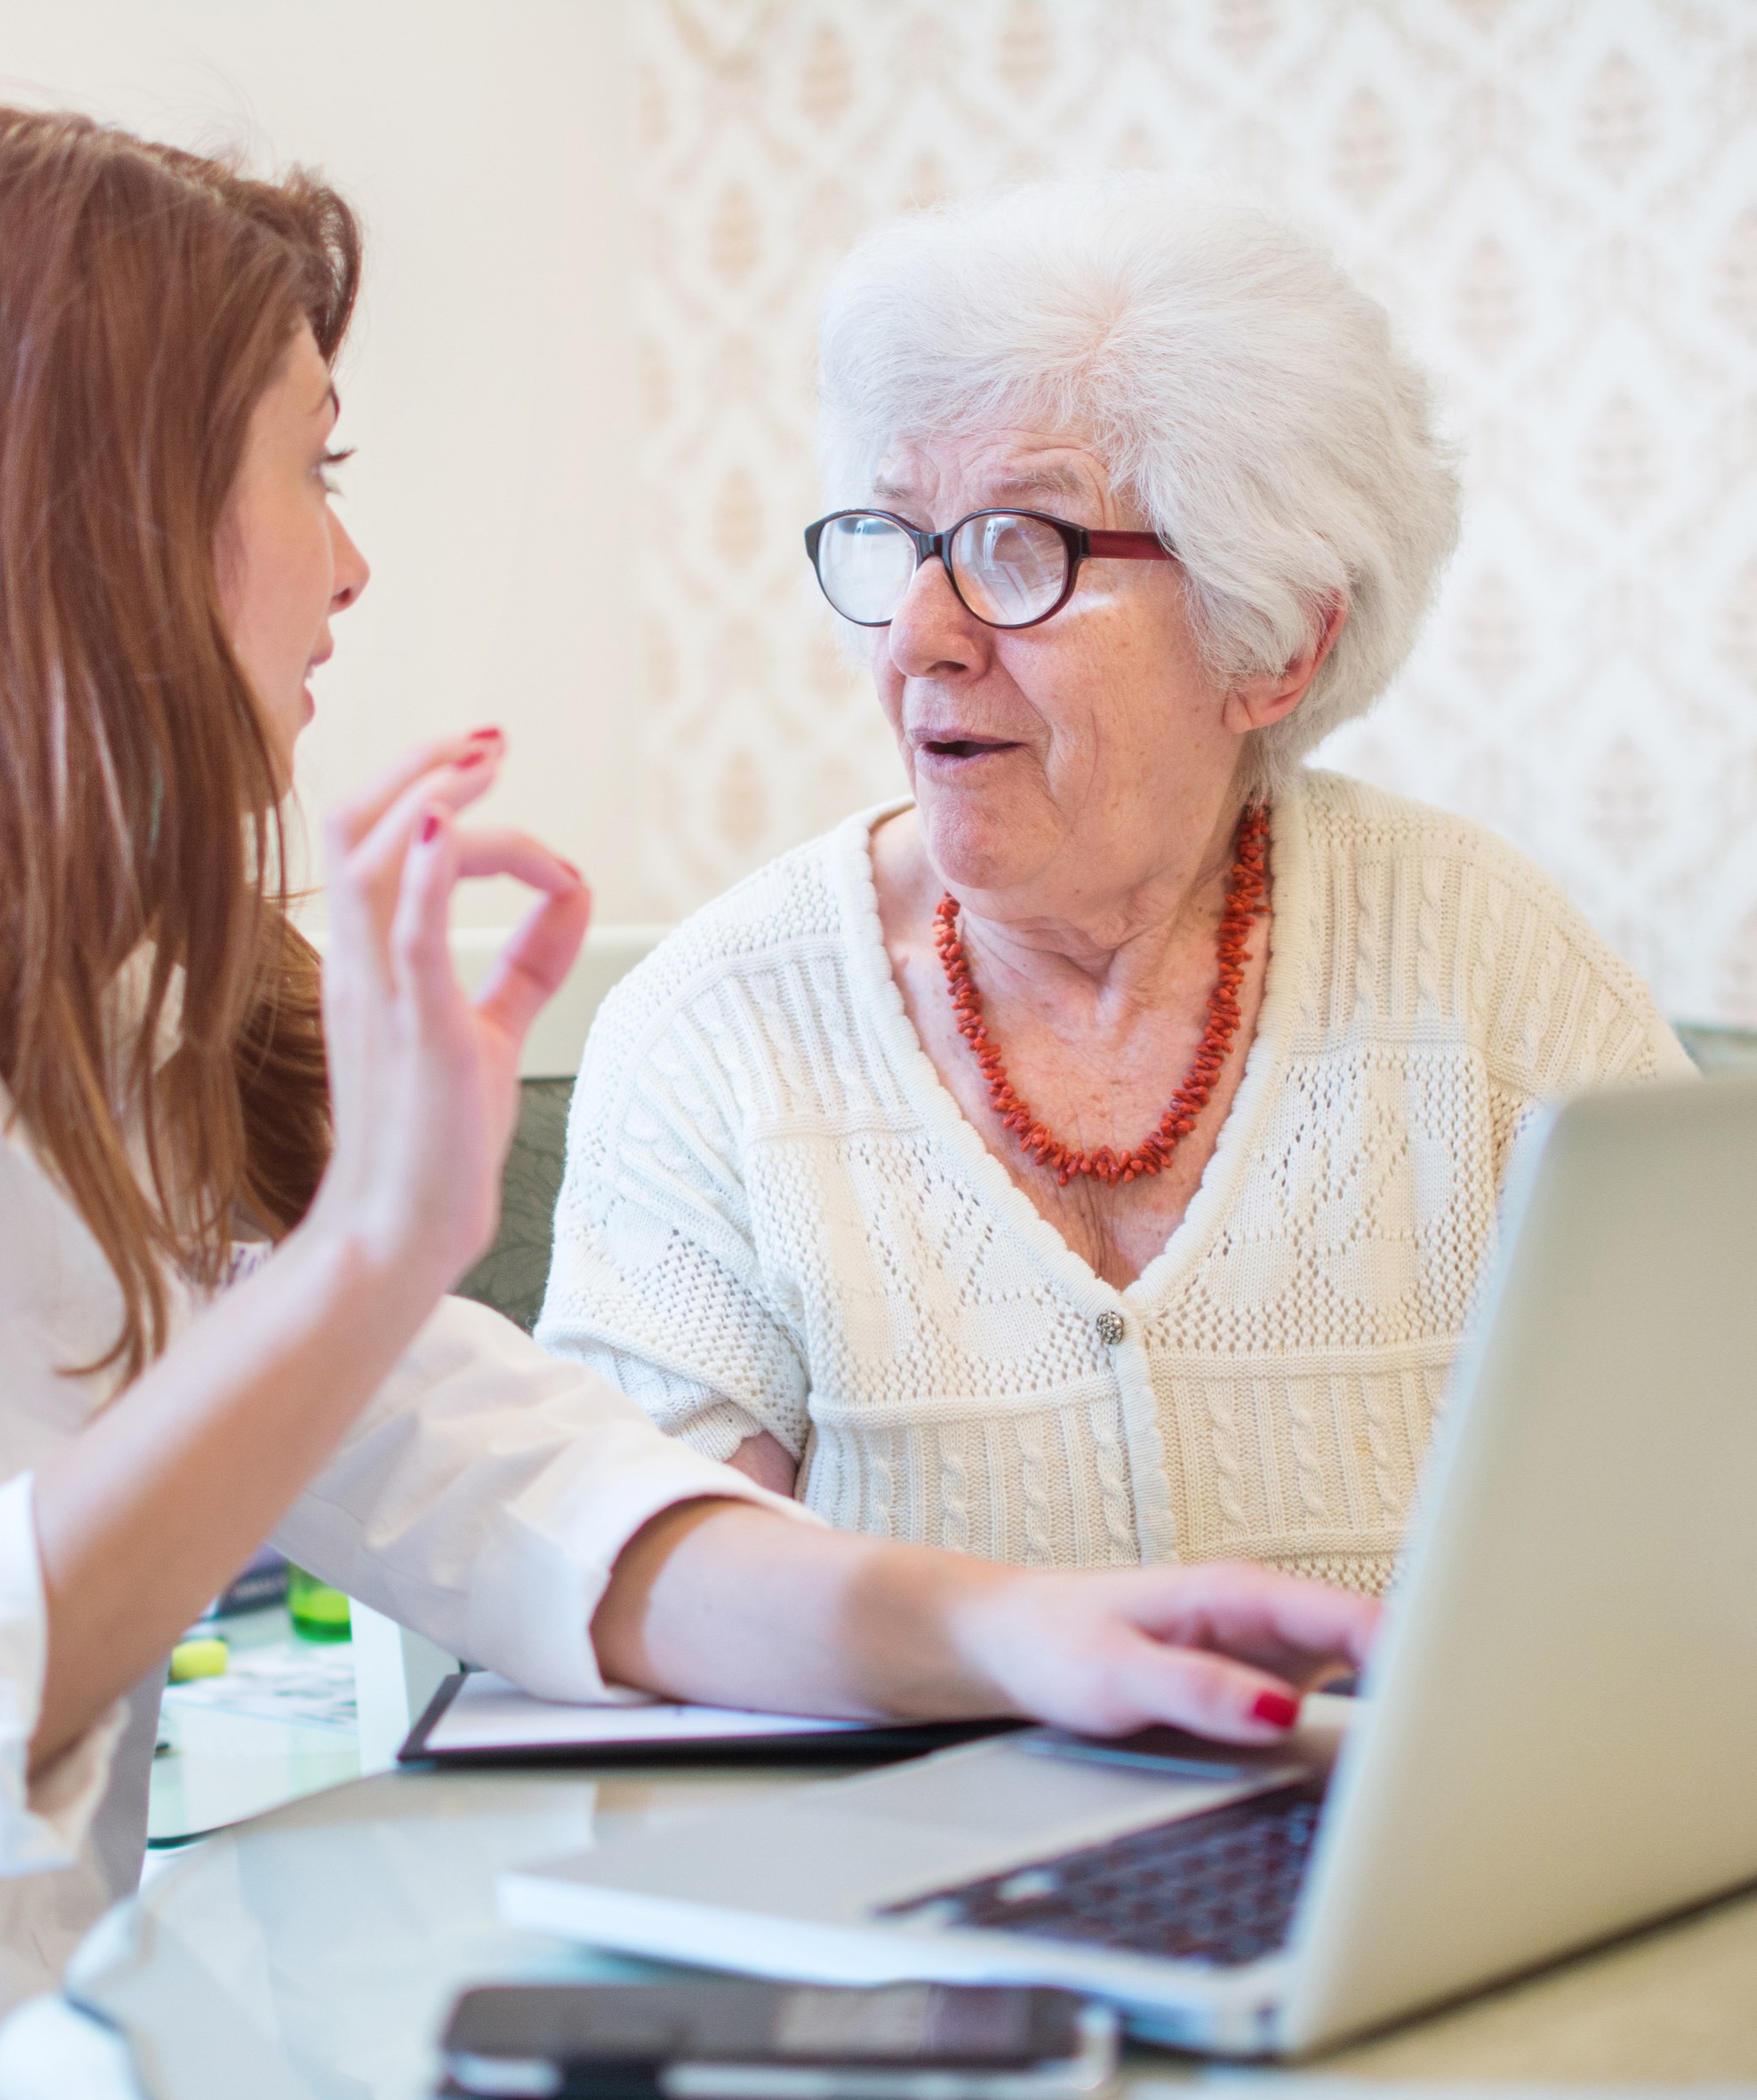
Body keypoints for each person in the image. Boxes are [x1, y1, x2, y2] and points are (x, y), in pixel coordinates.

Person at [0, 114, 1378, 2100]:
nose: (349, 563)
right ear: (91, 501)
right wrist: (362, 1254)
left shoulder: (116, 992)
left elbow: (514, 1487)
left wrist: (1019, 1633)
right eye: (311, 466)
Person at [539, 179, 1692, 1592]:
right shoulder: (718, 1031)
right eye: (899, 537)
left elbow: (1704, 1506)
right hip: (914, 1821)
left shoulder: (1493, 971)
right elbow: (631, 1590)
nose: (920, 635)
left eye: (1024, 545)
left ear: (1272, 644)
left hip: (1436, 1818)